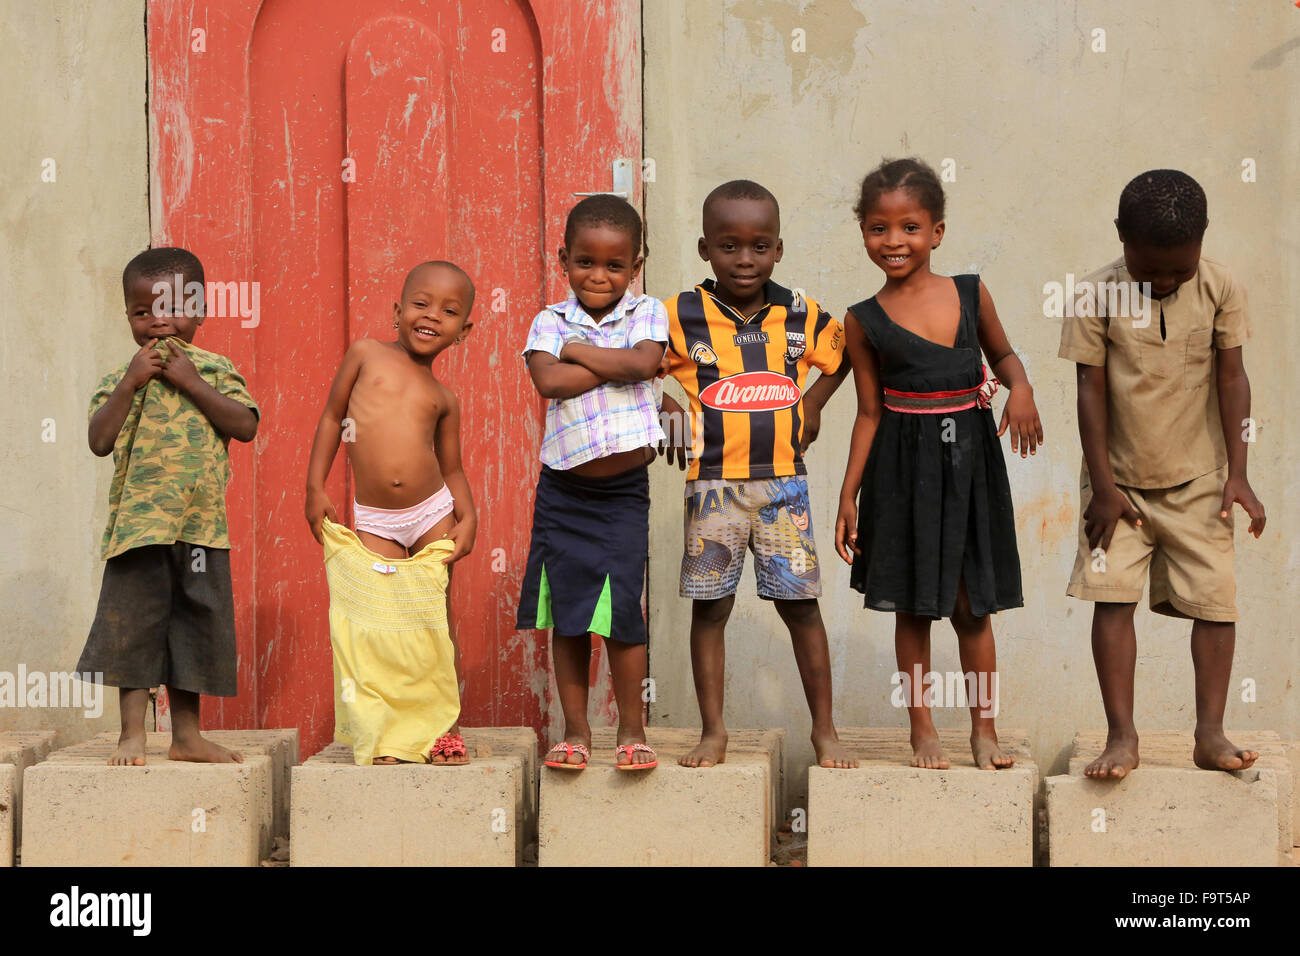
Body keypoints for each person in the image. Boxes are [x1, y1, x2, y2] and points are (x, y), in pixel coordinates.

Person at [834, 158, 1042, 770]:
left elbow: (1004, 358)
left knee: (971, 604)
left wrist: (1021, 389)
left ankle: (985, 730)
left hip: (971, 469)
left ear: (937, 232)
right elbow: (868, 412)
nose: (893, 242)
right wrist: (848, 496)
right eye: (878, 228)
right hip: (900, 476)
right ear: (864, 232)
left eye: (909, 227)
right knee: (912, 604)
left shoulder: (971, 294)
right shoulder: (862, 320)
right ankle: (921, 731)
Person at [1060, 169, 1264, 778]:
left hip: (1203, 479)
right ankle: (1122, 737)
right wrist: (1102, 485)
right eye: (1151, 271)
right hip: (1117, 487)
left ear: (1203, 240)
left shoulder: (1222, 286)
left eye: (1180, 269)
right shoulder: (1093, 295)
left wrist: (1240, 474)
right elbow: (1089, 390)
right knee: (1112, 600)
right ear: (1121, 237)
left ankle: (1210, 734)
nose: (1167, 282)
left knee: (1216, 602)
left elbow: (1233, 378)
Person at [660, 179, 856, 770]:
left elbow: (844, 355)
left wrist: (815, 402)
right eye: (728, 246)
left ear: (778, 249)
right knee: (711, 608)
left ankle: (825, 732)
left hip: (783, 485)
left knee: (801, 608)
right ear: (704, 249)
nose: (744, 259)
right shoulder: (677, 314)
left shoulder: (800, 312)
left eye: (759, 246)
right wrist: (660, 404)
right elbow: (635, 361)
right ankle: (713, 732)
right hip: (711, 485)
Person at [79, 246, 259, 766]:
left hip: (201, 530)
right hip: (138, 530)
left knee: (193, 629)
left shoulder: (217, 369)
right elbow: (99, 440)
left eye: (173, 307)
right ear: (130, 317)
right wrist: (134, 380)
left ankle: (187, 737)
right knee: (132, 628)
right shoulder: (121, 375)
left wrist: (191, 381)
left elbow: (245, 426)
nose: (158, 320)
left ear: (200, 310)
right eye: (142, 312)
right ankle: (131, 735)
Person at [305, 260, 478, 766]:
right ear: (397, 311)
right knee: (377, 626)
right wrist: (314, 486)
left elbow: (454, 469)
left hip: (432, 514)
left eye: (448, 311)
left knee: (432, 624)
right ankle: (385, 735)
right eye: (421, 304)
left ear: (463, 332)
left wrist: (467, 516)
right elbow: (333, 418)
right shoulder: (366, 354)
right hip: (375, 519)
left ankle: (445, 727)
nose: (431, 316)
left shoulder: (445, 398)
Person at [516, 195, 666, 772]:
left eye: (614, 265)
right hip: (564, 495)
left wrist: (581, 352)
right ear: (563, 259)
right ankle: (575, 733)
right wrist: (611, 358)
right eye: (584, 262)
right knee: (571, 614)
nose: (598, 276)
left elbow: (642, 366)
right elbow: (548, 382)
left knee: (622, 613)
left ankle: (633, 730)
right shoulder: (547, 320)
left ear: (635, 265)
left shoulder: (648, 311)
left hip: (623, 495)